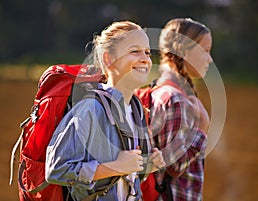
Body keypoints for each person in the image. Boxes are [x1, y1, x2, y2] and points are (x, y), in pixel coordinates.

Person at [45, 21, 165, 201]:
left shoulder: (136, 108)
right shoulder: (91, 108)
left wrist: (147, 165)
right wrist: (116, 166)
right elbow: (56, 169)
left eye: (147, 52)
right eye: (134, 51)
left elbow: (126, 175)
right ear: (109, 59)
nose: (145, 59)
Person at [143, 18, 212, 201]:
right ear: (184, 52)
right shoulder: (175, 100)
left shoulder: (157, 88)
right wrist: (202, 129)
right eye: (205, 51)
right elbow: (173, 166)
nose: (210, 59)